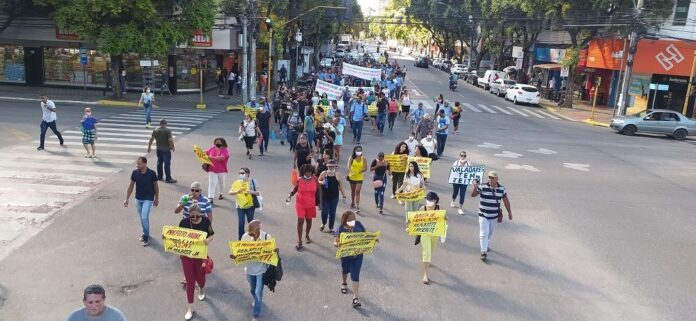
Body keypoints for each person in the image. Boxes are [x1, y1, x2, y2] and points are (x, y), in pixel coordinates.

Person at [231, 220, 279, 321]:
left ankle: (255, 315)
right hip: (249, 269)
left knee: (258, 292)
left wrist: (275, 251)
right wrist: (235, 256)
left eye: (252, 232)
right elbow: (240, 253)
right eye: (249, 231)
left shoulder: (267, 237)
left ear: (258, 230)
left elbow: (273, 252)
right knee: (253, 289)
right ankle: (256, 299)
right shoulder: (245, 237)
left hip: (262, 269)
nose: (250, 233)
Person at [177, 202, 214, 320]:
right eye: (192, 216)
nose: (194, 218)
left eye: (197, 216)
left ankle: (202, 288)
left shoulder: (205, 222)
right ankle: (190, 307)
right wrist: (167, 238)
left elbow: (211, 234)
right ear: (189, 214)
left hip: (200, 255)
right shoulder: (183, 223)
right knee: (190, 281)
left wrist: (208, 240)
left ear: (201, 214)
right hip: (186, 256)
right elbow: (177, 238)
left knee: (200, 277)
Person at [471, 171, 513, 261]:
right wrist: (475, 188)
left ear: (497, 179)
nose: (490, 179)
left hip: (494, 216)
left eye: (492, 177)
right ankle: (483, 252)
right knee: (483, 233)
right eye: (489, 177)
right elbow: (473, 195)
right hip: (483, 215)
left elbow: (506, 201)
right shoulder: (482, 186)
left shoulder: (502, 189)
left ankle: (485, 244)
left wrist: (509, 212)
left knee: (490, 233)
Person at [334, 211, 369, 308]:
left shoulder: (359, 225)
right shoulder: (340, 228)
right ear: (345, 220)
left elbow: (365, 235)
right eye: (350, 219)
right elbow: (336, 242)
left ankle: (355, 298)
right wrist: (337, 244)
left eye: (354, 219)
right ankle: (344, 283)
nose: (353, 221)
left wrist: (372, 239)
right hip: (345, 256)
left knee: (355, 275)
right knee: (345, 270)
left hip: (358, 256)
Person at [123, 156, 159, 246]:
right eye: (137, 164)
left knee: (144, 216)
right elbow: (131, 186)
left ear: (145, 163)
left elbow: (156, 186)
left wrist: (156, 198)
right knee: (142, 217)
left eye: (139, 164)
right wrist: (126, 198)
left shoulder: (152, 173)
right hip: (138, 198)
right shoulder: (135, 173)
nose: (137, 165)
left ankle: (146, 235)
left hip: (148, 198)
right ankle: (145, 232)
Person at [410, 192, 445, 284]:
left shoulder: (439, 208)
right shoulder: (423, 208)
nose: (429, 201)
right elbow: (415, 221)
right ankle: (425, 274)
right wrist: (410, 227)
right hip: (425, 233)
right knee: (427, 252)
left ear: (435, 200)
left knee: (431, 250)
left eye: (431, 200)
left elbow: (444, 219)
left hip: (435, 234)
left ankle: (428, 262)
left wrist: (445, 218)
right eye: (427, 199)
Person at [286, 164, 318, 250]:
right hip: (300, 203)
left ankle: (307, 235)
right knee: (300, 220)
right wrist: (290, 194)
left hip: (311, 204)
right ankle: (299, 241)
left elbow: (319, 190)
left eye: (310, 172)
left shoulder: (315, 179)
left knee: (309, 220)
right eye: (307, 172)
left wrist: (320, 202)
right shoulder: (299, 180)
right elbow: (295, 189)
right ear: (303, 172)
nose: (308, 174)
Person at [228, 167, 260, 240]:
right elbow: (230, 192)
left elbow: (258, 193)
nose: (241, 175)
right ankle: (241, 239)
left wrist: (251, 192)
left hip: (250, 206)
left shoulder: (253, 182)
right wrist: (237, 192)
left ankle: (253, 238)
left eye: (242, 173)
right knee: (241, 223)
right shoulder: (237, 183)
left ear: (248, 174)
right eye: (239, 173)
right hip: (240, 206)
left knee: (251, 223)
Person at [318, 160, 347, 233]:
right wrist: (322, 182)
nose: (331, 167)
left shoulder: (338, 175)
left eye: (333, 166)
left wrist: (344, 196)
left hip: (334, 197)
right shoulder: (324, 173)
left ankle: (331, 228)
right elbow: (318, 181)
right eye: (330, 166)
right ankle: (323, 223)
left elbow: (341, 186)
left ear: (335, 166)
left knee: (332, 213)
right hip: (325, 197)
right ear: (327, 166)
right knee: (324, 212)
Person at [147, 119, 177, 183]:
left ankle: (160, 176)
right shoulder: (167, 130)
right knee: (167, 164)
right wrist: (173, 146)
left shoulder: (155, 130)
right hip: (166, 150)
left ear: (160, 124)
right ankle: (168, 178)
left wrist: (149, 147)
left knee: (159, 162)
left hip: (159, 149)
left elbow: (151, 139)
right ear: (165, 124)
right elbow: (170, 139)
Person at [206, 137, 229, 204]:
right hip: (212, 169)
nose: (217, 143)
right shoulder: (212, 148)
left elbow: (221, 158)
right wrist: (199, 152)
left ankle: (221, 193)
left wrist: (210, 157)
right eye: (216, 142)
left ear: (223, 143)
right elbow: (206, 152)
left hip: (221, 170)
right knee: (212, 183)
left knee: (221, 183)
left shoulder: (225, 150)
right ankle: (210, 198)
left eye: (219, 142)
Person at [346, 146, 367, 213]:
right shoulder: (351, 158)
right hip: (352, 177)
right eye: (357, 150)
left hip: (359, 177)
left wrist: (361, 171)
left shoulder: (363, 159)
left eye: (360, 150)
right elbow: (348, 167)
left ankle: (357, 206)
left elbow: (365, 168)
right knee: (353, 191)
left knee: (357, 191)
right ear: (355, 151)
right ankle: (352, 202)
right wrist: (351, 172)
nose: (359, 151)